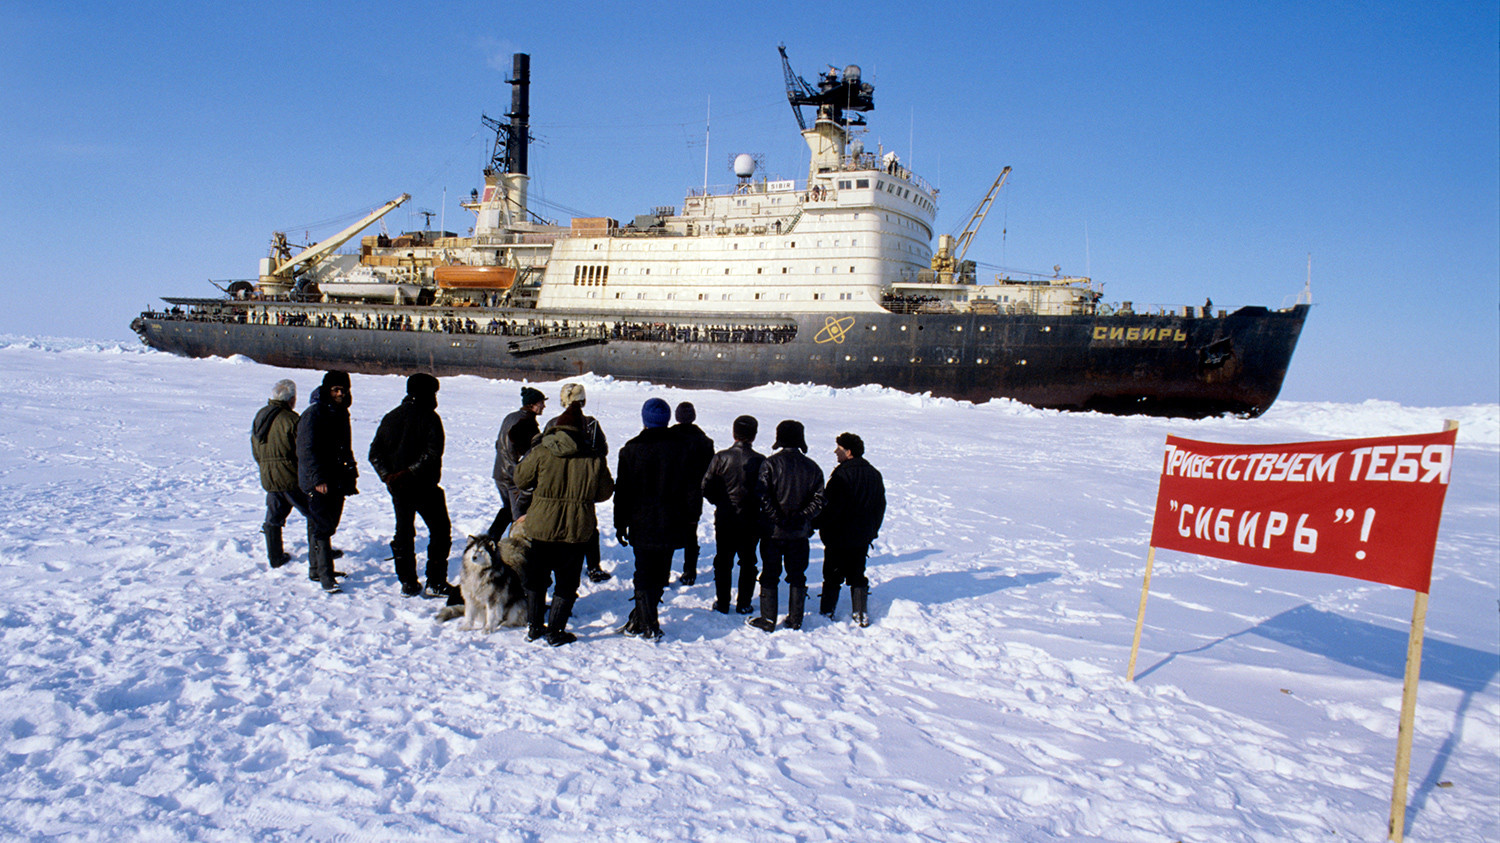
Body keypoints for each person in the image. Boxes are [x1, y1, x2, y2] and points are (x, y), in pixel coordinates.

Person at [514, 397, 614, 646]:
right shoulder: (593, 458)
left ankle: (534, 626)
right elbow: (604, 493)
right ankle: (556, 631)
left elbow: (521, 480)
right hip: (576, 529)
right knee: (567, 582)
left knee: (537, 578)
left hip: (542, 527)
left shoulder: (542, 451)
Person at [368, 373, 452, 598]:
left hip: (399, 489)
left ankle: (407, 581)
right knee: (440, 531)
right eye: (434, 392)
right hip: (424, 487)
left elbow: (374, 453)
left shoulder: (391, 417)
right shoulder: (430, 417)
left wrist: (389, 476)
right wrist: (407, 473)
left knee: (404, 532)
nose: (436, 397)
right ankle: (435, 581)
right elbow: (433, 454)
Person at [614, 398, 688, 639]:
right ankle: (643, 620)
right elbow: (690, 489)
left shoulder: (630, 449)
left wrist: (620, 522)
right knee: (660, 572)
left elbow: (622, 491)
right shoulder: (681, 449)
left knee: (644, 572)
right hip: (672, 519)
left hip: (641, 520)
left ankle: (647, 624)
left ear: (645, 419)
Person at [749, 420, 823, 632]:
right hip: (799, 534)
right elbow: (819, 500)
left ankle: (768, 619)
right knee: (798, 574)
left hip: (773, 532)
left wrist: (777, 518)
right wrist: (801, 518)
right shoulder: (812, 467)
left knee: (770, 574)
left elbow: (763, 496)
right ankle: (796, 619)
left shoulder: (770, 464)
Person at [541, 382, 613, 583]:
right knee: (589, 527)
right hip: (584, 485)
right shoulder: (591, 424)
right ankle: (593, 567)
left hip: (557, 483)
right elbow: (602, 451)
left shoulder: (552, 424)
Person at [297, 371, 359, 594]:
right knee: (323, 526)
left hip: (336, 478)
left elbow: (345, 447)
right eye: (335, 389)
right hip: (319, 480)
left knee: (326, 523)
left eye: (343, 390)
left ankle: (316, 569)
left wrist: (351, 471)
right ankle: (325, 576)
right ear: (327, 390)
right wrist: (317, 479)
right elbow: (306, 450)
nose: (340, 393)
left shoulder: (341, 413)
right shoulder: (314, 414)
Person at [817, 432, 886, 626]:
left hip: (838, 535)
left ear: (848, 452)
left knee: (832, 575)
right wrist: (872, 530)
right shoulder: (874, 473)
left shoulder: (841, 475)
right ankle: (860, 613)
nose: (835, 452)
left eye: (838, 449)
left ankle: (826, 612)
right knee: (857, 574)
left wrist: (822, 527)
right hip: (862, 535)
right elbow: (880, 506)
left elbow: (829, 508)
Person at [701, 415, 765, 614]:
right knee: (748, 561)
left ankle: (722, 603)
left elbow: (706, 486)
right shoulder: (760, 460)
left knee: (723, 559)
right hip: (751, 518)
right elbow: (765, 491)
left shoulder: (721, 457)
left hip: (726, 517)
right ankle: (744, 603)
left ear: (734, 433)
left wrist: (721, 502)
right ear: (754, 436)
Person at [251, 378, 309, 570]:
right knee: (314, 514)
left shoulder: (261, 416)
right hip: (290, 477)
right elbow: (302, 450)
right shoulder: (291, 419)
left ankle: (275, 557)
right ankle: (321, 552)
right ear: (291, 399)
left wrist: (265, 466)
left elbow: (255, 447)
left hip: (269, 476)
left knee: (274, 516)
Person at [488, 386, 546, 538]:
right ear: (532, 404)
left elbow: (498, 444)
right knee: (519, 516)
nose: (544, 406)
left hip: (499, 473)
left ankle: (491, 539)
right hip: (514, 478)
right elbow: (531, 455)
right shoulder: (527, 423)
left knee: (507, 509)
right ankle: (513, 548)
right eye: (541, 403)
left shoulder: (510, 417)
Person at [670, 401, 714, 586]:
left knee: (668, 533)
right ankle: (690, 571)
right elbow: (710, 471)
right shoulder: (705, 441)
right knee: (691, 533)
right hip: (693, 495)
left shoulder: (669, 438)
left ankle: (664, 571)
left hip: (671, 494)